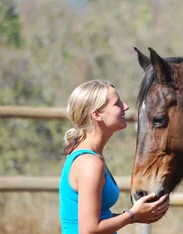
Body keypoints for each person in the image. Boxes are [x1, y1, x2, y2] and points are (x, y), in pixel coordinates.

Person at [59, 80, 170, 234]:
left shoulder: (91, 156)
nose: (125, 106)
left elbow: (95, 218)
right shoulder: (89, 163)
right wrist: (132, 215)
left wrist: (136, 215)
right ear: (97, 115)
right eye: (117, 104)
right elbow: (89, 230)